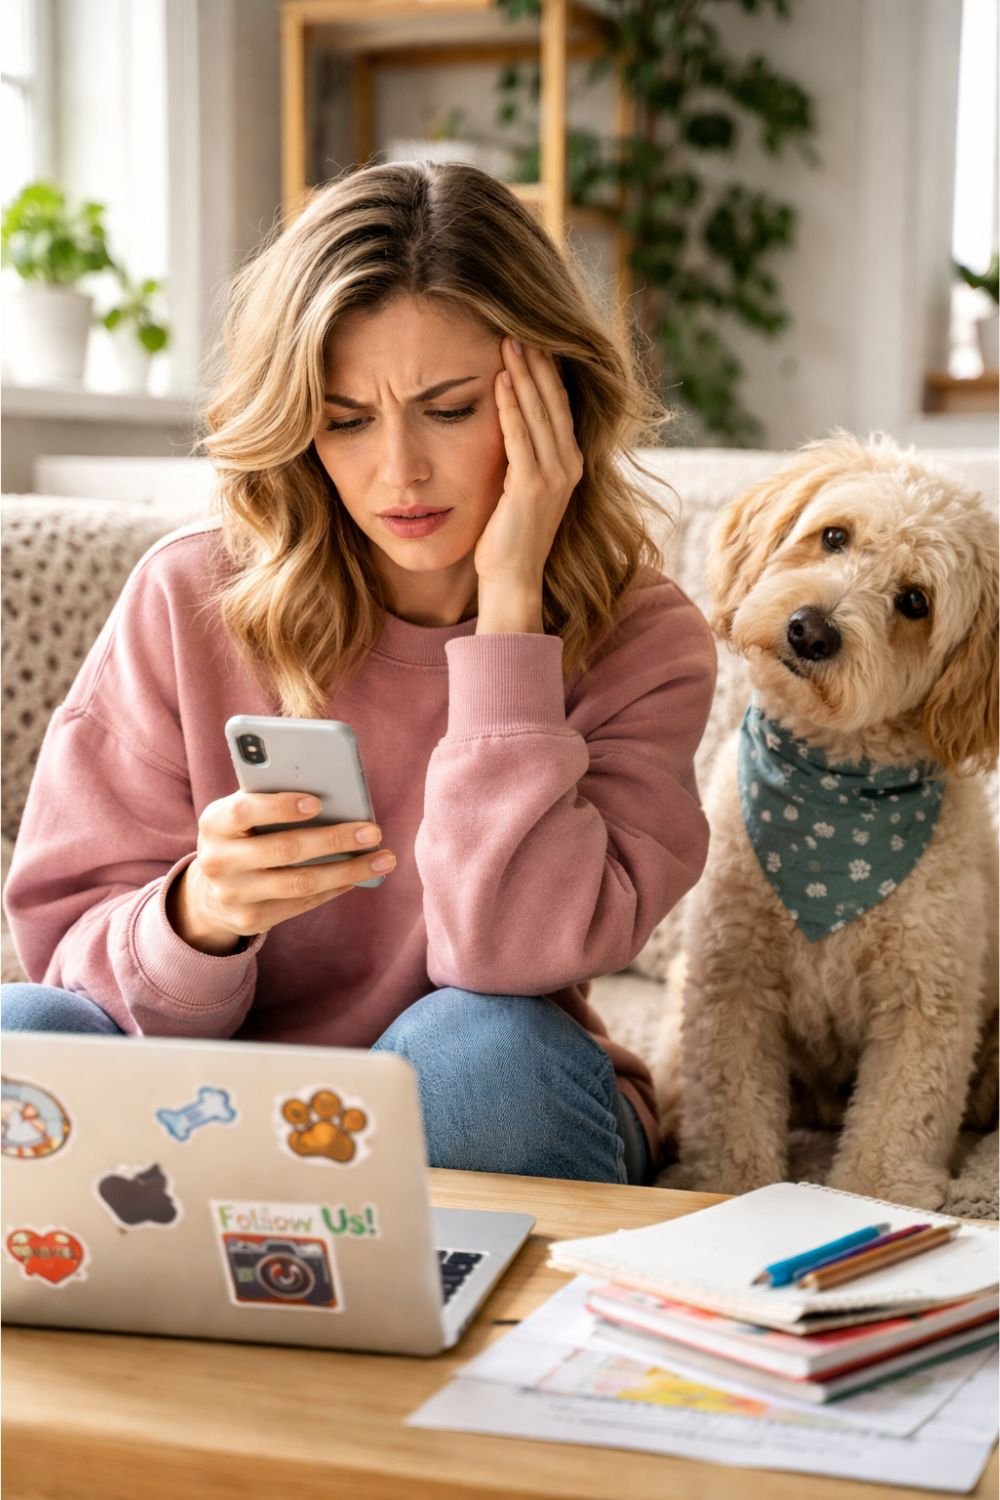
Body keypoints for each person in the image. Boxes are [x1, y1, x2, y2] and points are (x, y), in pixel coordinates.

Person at [2, 162, 716, 1184]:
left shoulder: (641, 635)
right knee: (20, 1032)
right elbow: (63, 964)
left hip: (485, 1103)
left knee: (478, 1050)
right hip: (212, 1113)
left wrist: (510, 619)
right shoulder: (188, 597)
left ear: (550, 397)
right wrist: (201, 915)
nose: (400, 472)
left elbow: (509, 958)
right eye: (346, 419)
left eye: (449, 408)